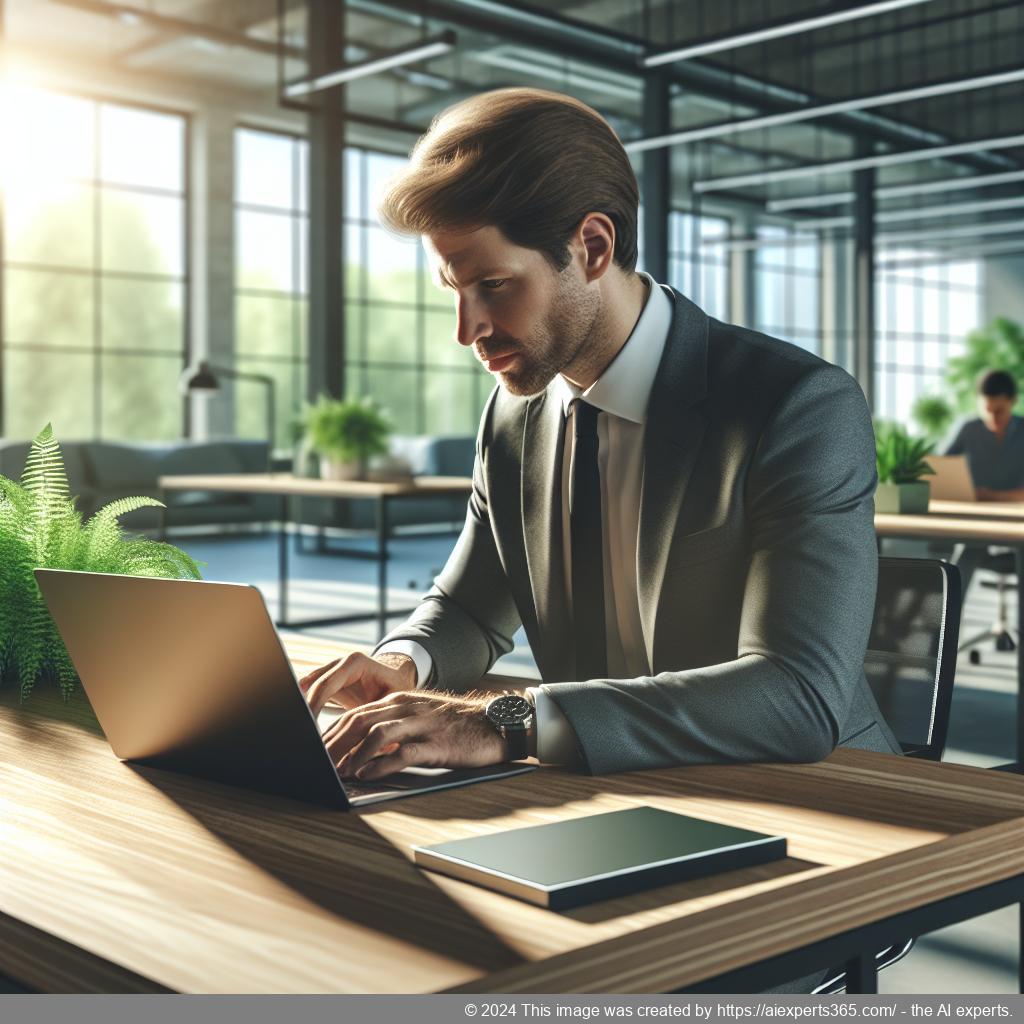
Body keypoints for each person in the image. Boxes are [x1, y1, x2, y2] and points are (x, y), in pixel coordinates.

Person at [301, 87, 899, 783]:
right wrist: (406, 661)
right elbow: (470, 605)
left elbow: (796, 695)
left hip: (815, 796)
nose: (467, 330)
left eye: (493, 284)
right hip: (608, 787)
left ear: (591, 245)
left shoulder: (795, 406)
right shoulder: (513, 416)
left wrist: (508, 722)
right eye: (454, 290)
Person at [946, 369, 1024, 598]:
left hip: (1017, 524)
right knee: (963, 559)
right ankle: (941, 628)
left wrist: (990, 496)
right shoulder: (970, 428)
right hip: (978, 523)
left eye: (999, 411)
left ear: (1013, 401)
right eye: (987, 411)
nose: (992, 419)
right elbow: (938, 467)